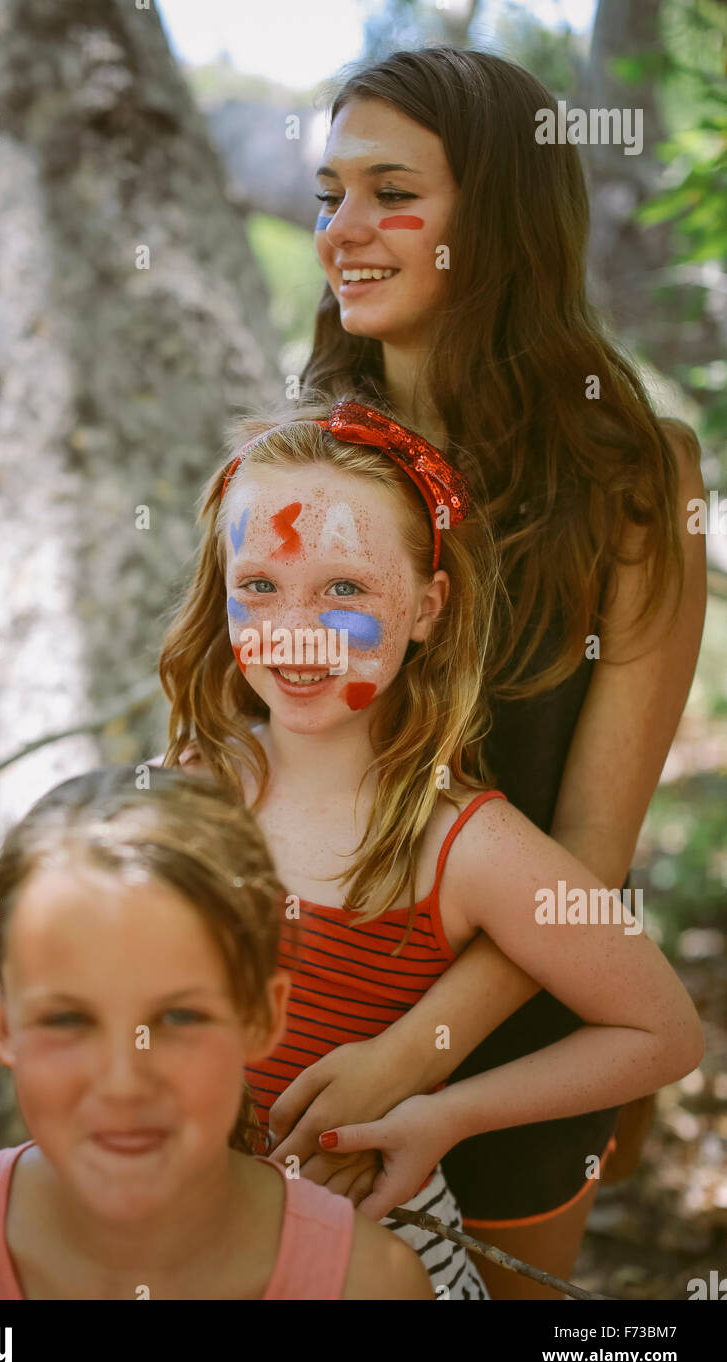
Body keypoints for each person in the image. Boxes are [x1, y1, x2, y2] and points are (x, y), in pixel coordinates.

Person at [299, 45, 707, 1295]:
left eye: (391, 192)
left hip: (517, 1045)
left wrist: (414, 1057)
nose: (342, 231)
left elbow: (585, 854)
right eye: (328, 197)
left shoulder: (637, 480)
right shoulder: (302, 463)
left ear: (502, 216)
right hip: (302, 1028)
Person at [156, 395, 703, 1301]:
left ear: (428, 607)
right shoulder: (183, 789)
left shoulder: (462, 842)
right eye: (260, 586)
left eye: (345, 589)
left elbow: (663, 1031)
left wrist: (443, 1116)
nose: (296, 627)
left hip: (363, 1260)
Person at [0, 765, 434, 1300]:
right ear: (2, 1022)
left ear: (260, 1016)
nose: (123, 1084)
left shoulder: (365, 1284)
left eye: (179, 1018)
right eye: (68, 1019)